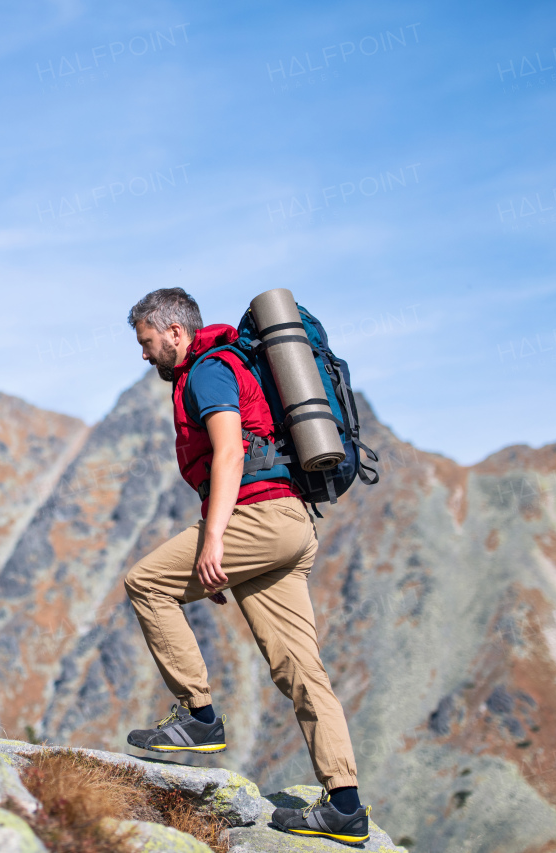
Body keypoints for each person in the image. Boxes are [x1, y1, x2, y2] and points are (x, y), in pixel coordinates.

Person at [123, 287, 372, 844]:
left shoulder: (209, 370)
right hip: (289, 524)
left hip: (258, 519)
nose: (143, 355)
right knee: (301, 669)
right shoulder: (221, 364)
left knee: (145, 583)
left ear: (175, 332)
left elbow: (231, 453)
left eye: (147, 342)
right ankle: (345, 807)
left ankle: (199, 717)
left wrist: (215, 543)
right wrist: (225, 558)